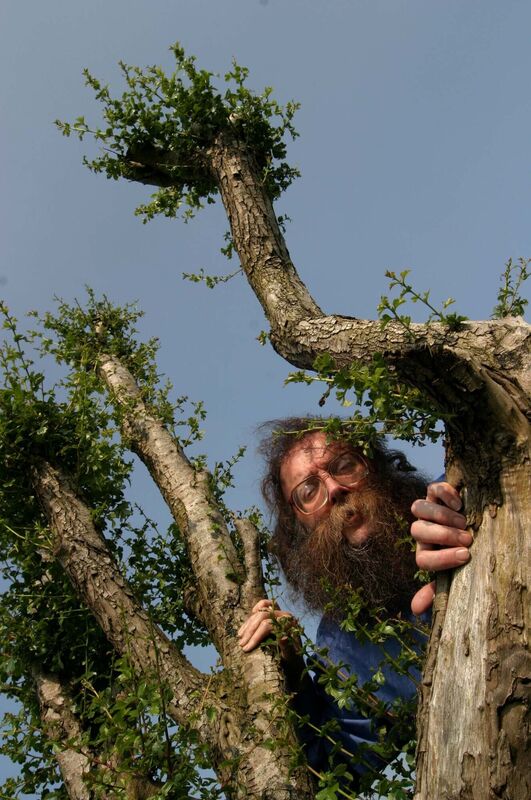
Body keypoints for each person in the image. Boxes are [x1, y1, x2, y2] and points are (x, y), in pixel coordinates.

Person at [238, 417, 472, 782]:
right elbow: (330, 769)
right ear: (299, 525)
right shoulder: (341, 649)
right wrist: (291, 675)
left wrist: (476, 528)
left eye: (343, 465)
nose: (333, 489)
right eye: (308, 490)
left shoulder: (458, 499)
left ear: (374, 467)